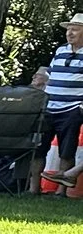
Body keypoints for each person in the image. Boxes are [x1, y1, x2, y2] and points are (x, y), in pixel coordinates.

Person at [40, 13, 83, 194]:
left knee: (67, 148)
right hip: (50, 106)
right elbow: (50, 77)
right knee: (39, 147)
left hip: (73, 108)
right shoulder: (60, 51)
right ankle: (35, 188)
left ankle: (62, 189)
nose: (70, 33)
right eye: (68, 29)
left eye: (75, 29)